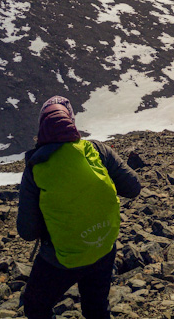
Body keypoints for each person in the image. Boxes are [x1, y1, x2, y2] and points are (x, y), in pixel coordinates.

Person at [17, 96, 142, 319]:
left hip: (60, 259)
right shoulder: (97, 150)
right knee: (96, 308)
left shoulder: (35, 168)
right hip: (103, 246)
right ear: (71, 122)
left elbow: (27, 231)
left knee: (35, 306)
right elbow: (133, 187)